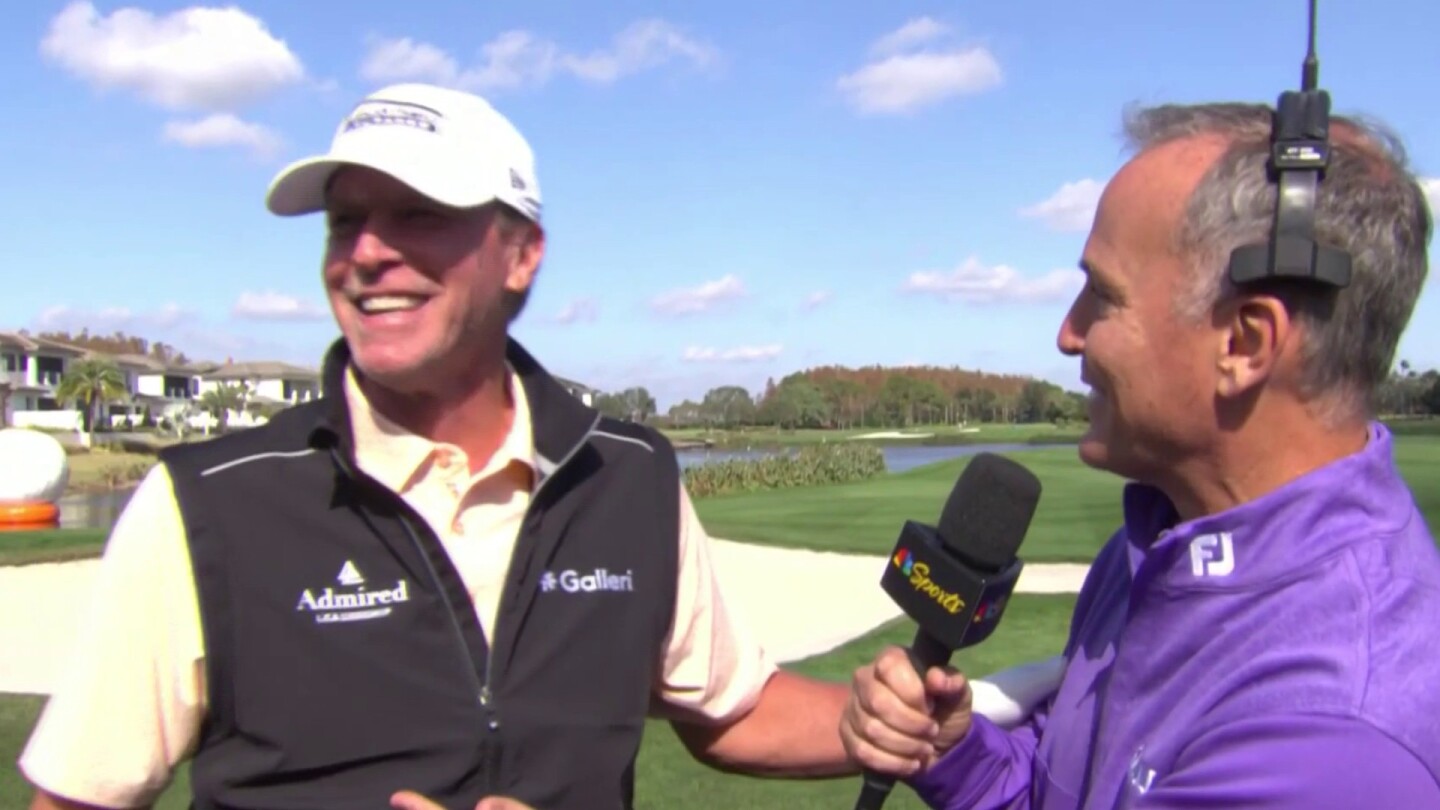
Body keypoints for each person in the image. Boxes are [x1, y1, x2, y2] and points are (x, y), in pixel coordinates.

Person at [17, 82, 1059, 810]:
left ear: (522, 253)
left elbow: (730, 710)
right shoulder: (209, 506)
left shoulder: (631, 474)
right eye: (345, 223)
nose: (367, 255)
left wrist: (871, 722)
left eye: (418, 215)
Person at [839, 100, 1440, 808]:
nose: (1069, 332)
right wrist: (958, 756)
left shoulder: (1330, 738)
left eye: (1102, 293)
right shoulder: (1161, 539)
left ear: (1245, 344)